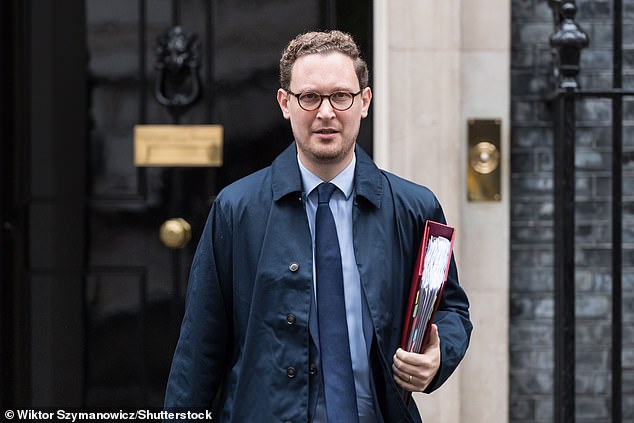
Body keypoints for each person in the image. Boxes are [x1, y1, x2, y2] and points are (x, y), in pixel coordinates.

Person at [164, 30, 472, 423]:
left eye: (341, 96)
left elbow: (450, 307)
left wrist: (439, 352)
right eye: (309, 97)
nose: (326, 112)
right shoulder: (236, 209)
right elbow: (199, 347)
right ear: (285, 103)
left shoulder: (416, 207)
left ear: (364, 101)